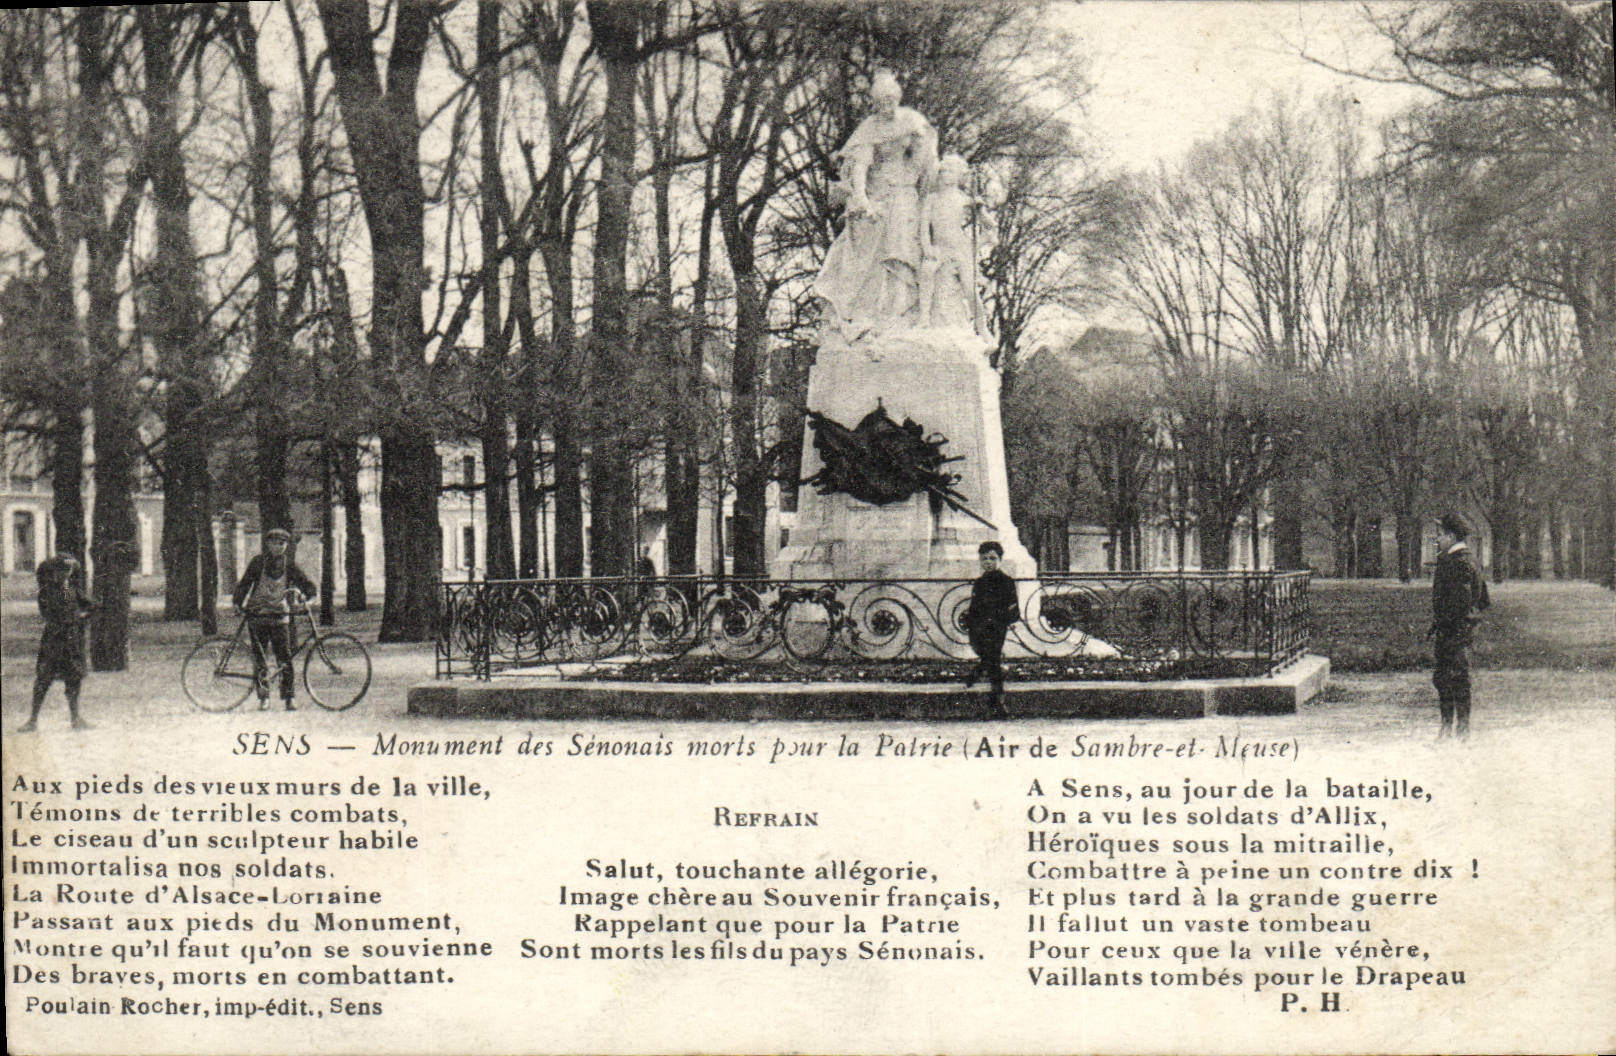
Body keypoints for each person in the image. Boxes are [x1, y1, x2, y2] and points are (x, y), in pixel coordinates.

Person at [813, 69, 937, 339]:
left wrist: (921, 148)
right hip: (877, 192)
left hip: (905, 190)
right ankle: (868, 313)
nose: (886, 105)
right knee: (870, 253)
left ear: (898, 98)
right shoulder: (869, 128)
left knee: (903, 246)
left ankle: (900, 311)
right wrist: (860, 197)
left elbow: (925, 162)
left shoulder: (912, 120)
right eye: (881, 101)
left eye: (890, 99)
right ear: (874, 102)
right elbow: (860, 165)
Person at [233, 527, 317, 711]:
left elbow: (307, 584)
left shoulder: (289, 565)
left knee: (285, 658)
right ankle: (264, 698)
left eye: (282, 543)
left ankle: (289, 697)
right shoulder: (258, 563)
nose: (278, 547)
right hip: (258, 617)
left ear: (286, 545)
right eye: (274, 543)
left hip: (280, 617)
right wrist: (238, 602)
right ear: (267, 544)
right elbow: (245, 583)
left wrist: (307, 594)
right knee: (260, 658)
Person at [20, 550, 96, 732]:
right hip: (54, 641)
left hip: (71, 641)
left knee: (74, 679)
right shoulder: (47, 592)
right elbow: (51, 614)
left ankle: (76, 718)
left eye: (69, 570)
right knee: (43, 679)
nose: (66, 574)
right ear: (55, 571)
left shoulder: (72, 590)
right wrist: (78, 618)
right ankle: (32, 719)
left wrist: (87, 615)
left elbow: (90, 606)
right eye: (63, 570)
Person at [1429, 512, 1489, 739]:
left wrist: (1449, 623)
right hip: (1458, 630)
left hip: (1454, 631)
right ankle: (1455, 729)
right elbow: (1483, 600)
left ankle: (1455, 730)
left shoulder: (1458, 563)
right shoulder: (1468, 560)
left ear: (1452, 537)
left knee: (1452, 679)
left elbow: (1461, 603)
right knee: (1449, 678)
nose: (1438, 540)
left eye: (1441, 535)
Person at [919, 153, 984, 332]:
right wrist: (926, 247)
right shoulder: (931, 199)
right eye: (942, 171)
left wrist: (980, 208)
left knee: (970, 289)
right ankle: (924, 317)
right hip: (939, 247)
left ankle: (983, 329)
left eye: (950, 171)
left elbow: (987, 224)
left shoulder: (965, 199)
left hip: (960, 248)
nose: (944, 174)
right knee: (926, 272)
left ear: (959, 175)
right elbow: (924, 227)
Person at [963, 540, 1020, 714]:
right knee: (990, 658)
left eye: (992, 558)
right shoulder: (979, 582)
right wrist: (971, 622)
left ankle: (998, 701)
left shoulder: (1007, 581)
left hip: (997, 627)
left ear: (1000, 560)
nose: (988, 562)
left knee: (993, 659)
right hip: (979, 629)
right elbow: (974, 606)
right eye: (984, 559)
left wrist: (1001, 619)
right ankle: (980, 674)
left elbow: (1013, 607)